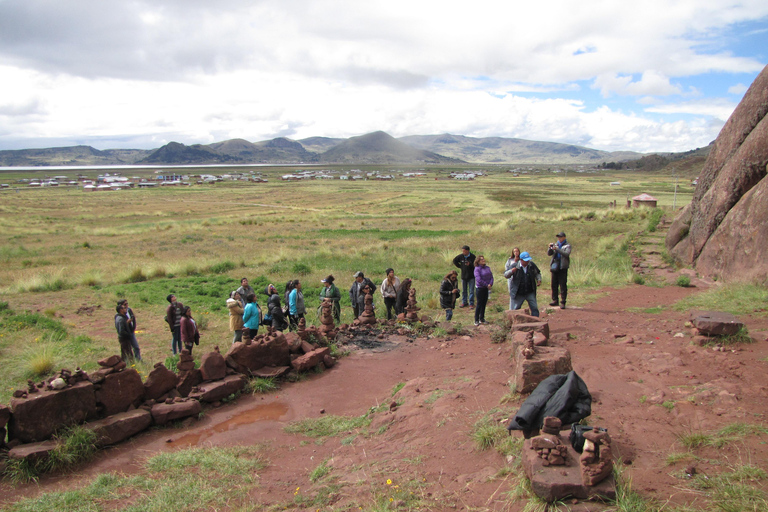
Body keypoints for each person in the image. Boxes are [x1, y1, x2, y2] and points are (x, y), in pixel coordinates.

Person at [505, 251, 542, 317]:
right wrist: (511, 271)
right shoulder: (515, 266)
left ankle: (536, 321)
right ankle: (513, 323)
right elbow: (506, 275)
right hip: (519, 292)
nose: (527, 262)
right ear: (521, 260)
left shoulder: (531, 265)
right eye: (525, 260)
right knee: (516, 309)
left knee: (534, 308)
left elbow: (537, 273)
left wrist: (539, 279)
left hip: (530, 291)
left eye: (528, 260)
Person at [547, 231, 572, 309]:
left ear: (564, 237)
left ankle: (563, 301)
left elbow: (566, 254)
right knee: (554, 284)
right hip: (555, 266)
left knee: (563, 285)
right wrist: (550, 248)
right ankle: (555, 300)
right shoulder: (556, 244)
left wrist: (557, 249)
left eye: (560, 237)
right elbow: (549, 254)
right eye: (558, 237)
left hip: (563, 267)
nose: (559, 239)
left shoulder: (567, 245)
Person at [473, 255, 493, 325]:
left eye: (483, 259)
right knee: (479, 304)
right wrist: (486, 284)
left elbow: (491, 276)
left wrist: (490, 284)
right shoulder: (477, 269)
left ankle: (482, 318)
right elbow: (478, 279)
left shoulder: (487, 268)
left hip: (486, 288)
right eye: (481, 259)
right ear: (478, 261)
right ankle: (476, 319)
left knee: (484, 303)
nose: (483, 260)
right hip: (480, 288)